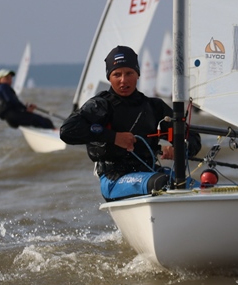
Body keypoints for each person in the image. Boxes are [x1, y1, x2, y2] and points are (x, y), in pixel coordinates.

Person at [60, 45, 202, 201]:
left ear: (138, 74)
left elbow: (192, 138)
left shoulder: (154, 107)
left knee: (202, 187)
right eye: (117, 74)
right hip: (115, 179)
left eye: (129, 73)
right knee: (162, 182)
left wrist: (180, 149)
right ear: (109, 78)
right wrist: (114, 137)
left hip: (150, 172)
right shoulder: (100, 105)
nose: (123, 80)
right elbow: (67, 130)